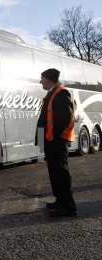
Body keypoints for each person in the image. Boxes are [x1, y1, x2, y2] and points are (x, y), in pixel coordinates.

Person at [37, 68, 77, 217]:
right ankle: (60, 200)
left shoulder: (61, 93)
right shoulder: (52, 93)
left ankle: (68, 207)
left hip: (57, 141)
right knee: (54, 173)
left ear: (49, 79)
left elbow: (65, 118)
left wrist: (53, 137)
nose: (40, 81)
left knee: (61, 173)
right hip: (51, 141)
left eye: (42, 78)